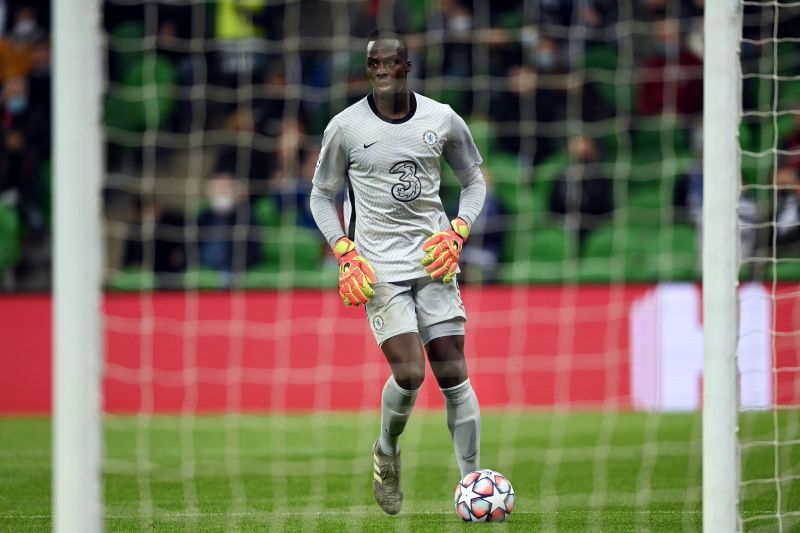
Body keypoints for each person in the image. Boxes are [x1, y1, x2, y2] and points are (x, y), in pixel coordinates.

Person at [309, 28, 486, 515]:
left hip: (434, 258)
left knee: (452, 369)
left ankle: (472, 483)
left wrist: (458, 231)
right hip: (378, 266)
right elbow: (321, 196)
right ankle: (387, 450)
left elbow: (473, 181)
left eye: (392, 64)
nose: (383, 72)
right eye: (374, 65)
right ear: (368, 70)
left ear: (408, 66)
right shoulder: (345, 127)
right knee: (410, 374)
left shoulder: (442, 119)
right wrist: (344, 252)